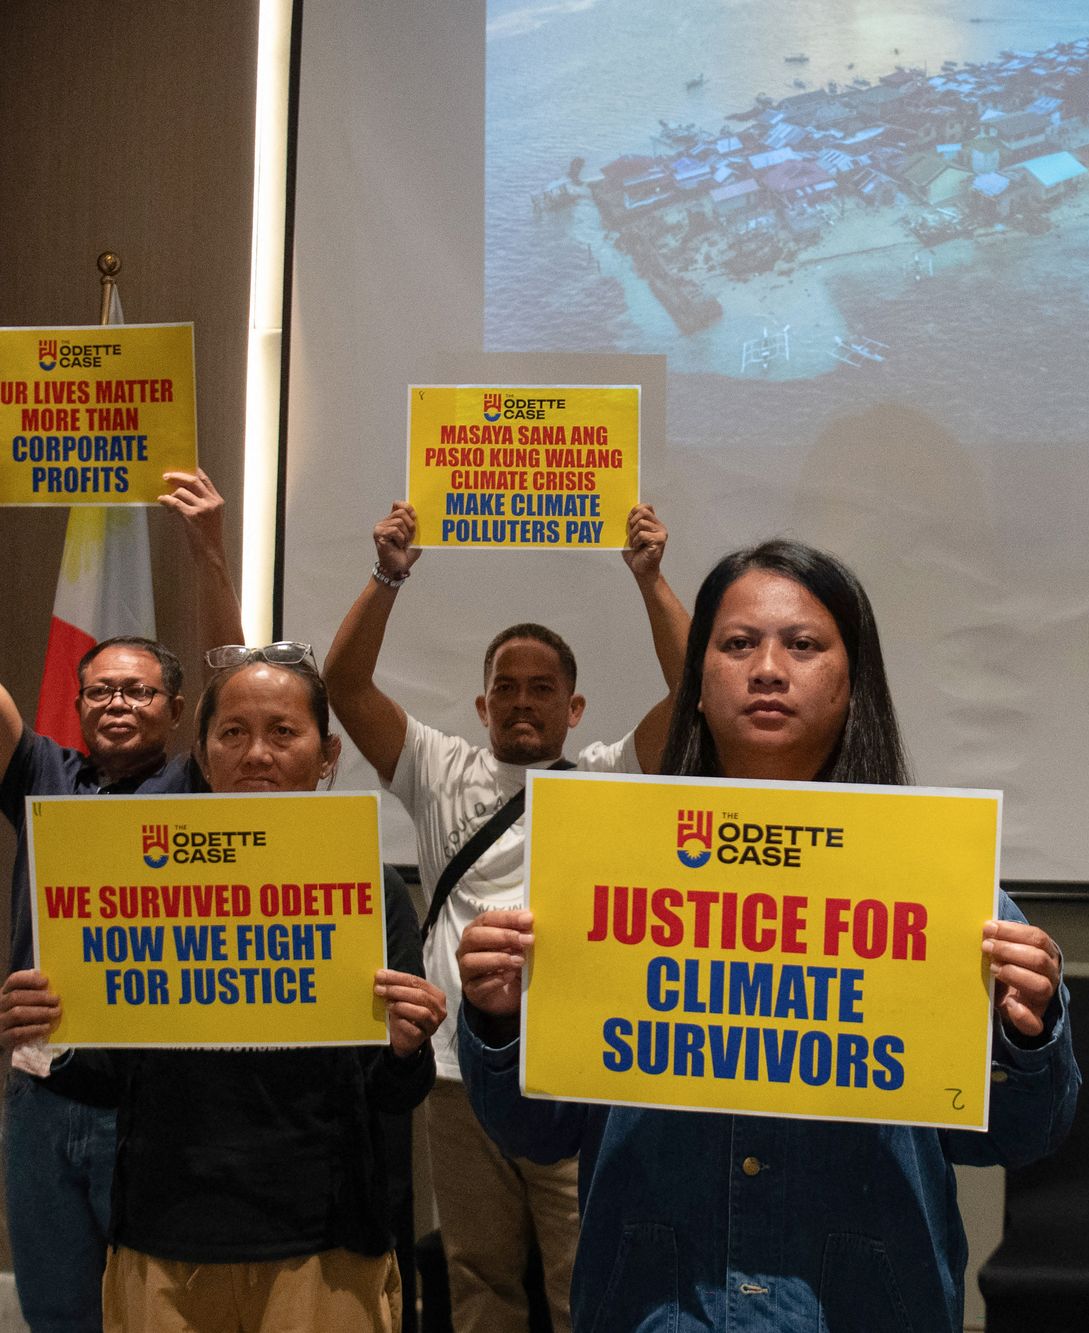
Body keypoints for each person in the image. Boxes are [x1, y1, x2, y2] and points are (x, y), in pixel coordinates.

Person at [454, 539, 1080, 1331]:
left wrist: (1029, 1030)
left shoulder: (944, 882)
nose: (768, 668)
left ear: (855, 683)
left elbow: (1028, 1133)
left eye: (805, 644)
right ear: (698, 684)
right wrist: (500, 1018)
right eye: (738, 644)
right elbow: (531, 1128)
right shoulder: (600, 868)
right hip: (659, 1306)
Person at [322, 499, 689, 1333]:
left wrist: (651, 579)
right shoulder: (437, 769)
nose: (523, 703)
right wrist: (389, 575)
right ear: (483, 707)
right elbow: (342, 683)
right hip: (457, 1074)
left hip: (572, 1066)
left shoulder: (611, 774)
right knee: (479, 1276)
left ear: (576, 707)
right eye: (506, 689)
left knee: (581, 1273)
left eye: (543, 689)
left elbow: (697, 690)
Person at [1, 649, 445, 1332]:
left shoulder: (370, 885)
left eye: (283, 732)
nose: (257, 753)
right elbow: (107, 1073)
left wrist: (405, 1047)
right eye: (233, 733)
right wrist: (46, 1040)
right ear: (202, 758)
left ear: (326, 755)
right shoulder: (140, 881)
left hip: (320, 1239)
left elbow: (395, 1091)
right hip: (163, 1234)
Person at [0, 469, 243, 1333]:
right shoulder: (41, 774)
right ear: (76, 706)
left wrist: (207, 549)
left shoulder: (198, 782)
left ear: (178, 713)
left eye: (139, 690)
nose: (116, 702)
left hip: (157, 1102)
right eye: (100, 689)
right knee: (59, 1316)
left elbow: (234, 682)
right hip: (42, 1097)